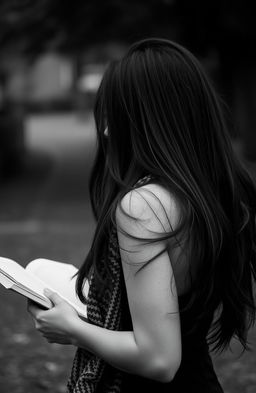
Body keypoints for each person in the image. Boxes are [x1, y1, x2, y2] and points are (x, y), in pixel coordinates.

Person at [27, 38, 256, 393]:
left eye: (113, 117)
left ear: (147, 120)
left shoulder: (143, 207)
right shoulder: (214, 192)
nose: (104, 131)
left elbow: (159, 359)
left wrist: (71, 329)